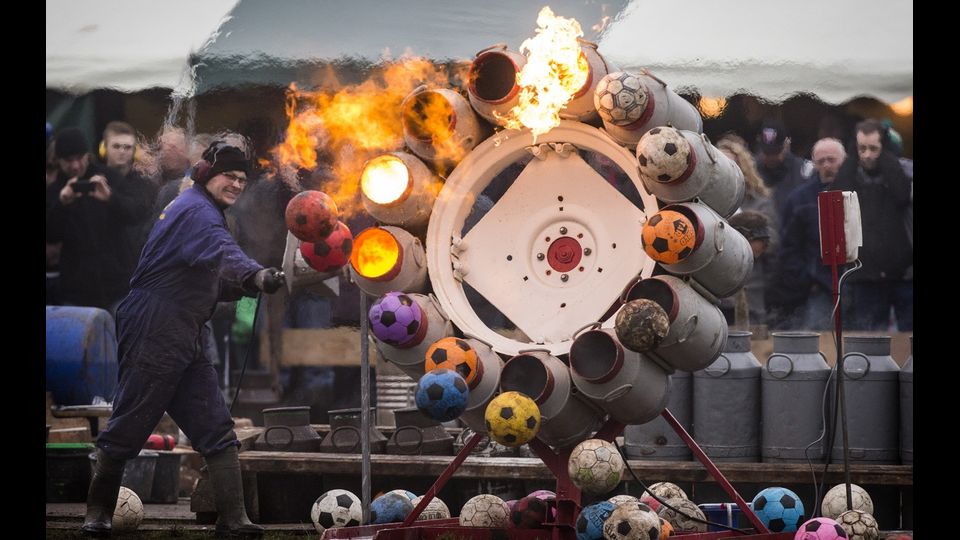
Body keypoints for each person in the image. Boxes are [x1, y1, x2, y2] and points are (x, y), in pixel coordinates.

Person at [82, 140, 283, 538]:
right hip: (155, 326)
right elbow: (221, 251)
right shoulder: (196, 212)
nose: (238, 185)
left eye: (243, 179)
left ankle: (233, 519)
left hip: (184, 329)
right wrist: (254, 275)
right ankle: (97, 513)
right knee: (132, 418)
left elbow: (201, 273)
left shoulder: (199, 208)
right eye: (230, 176)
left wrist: (243, 285)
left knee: (214, 425)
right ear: (209, 174)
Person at [46, 127, 151, 313]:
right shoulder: (54, 191)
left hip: (118, 285)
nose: (75, 166)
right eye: (68, 161)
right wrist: (62, 204)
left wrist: (111, 199)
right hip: (76, 292)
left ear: (88, 155)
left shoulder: (110, 178)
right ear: (58, 160)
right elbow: (51, 236)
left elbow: (137, 213)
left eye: (79, 158)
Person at [833, 119, 912, 331]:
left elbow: (902, 195)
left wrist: (887, 161)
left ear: (884, 148)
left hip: (904, 273)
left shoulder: (904, 170)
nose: (867, 155)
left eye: (874, 149)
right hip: (866, 274)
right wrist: (851, 159)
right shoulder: (851, 173)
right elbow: (838, 197)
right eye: (862, 149)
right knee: (870, 339)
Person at [777, 138, 847, 329]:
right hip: (818, 288)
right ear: (814, 163)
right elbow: (788, 248)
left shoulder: (858, 193)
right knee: (821, 344)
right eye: (821, 160)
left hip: (857, 284)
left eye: (832, 160)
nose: (826, 165)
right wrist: (808, 279)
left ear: (844, 160)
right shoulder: (799, 199)